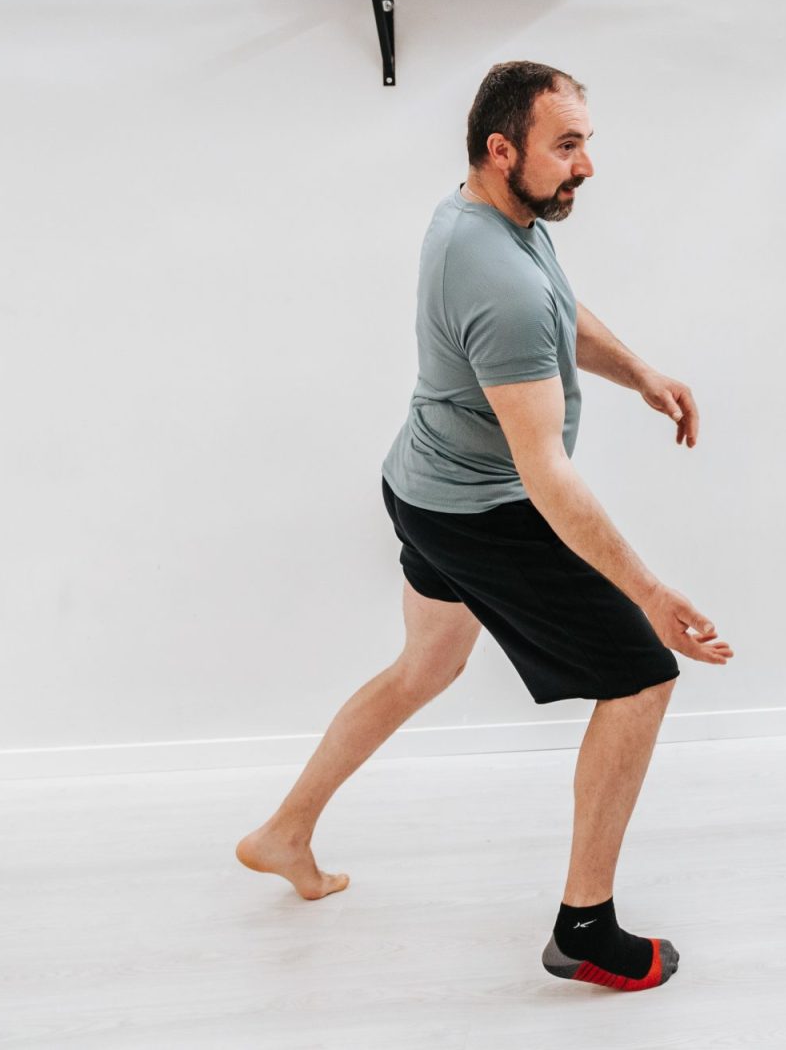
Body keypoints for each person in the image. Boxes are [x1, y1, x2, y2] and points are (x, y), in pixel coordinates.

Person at [237, 60, 731, 993]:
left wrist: (640, 372)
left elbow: (557, 308)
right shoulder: (496, 274)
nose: (587, 166)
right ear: (502, 150)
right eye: (567, 145)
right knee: (640, 676)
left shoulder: (484, 216)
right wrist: (649, 594)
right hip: (482, 512)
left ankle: (283, 833)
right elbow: (545, 475)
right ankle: (585, 929)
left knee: (424, 668)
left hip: (421, 486)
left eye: (587, 141)